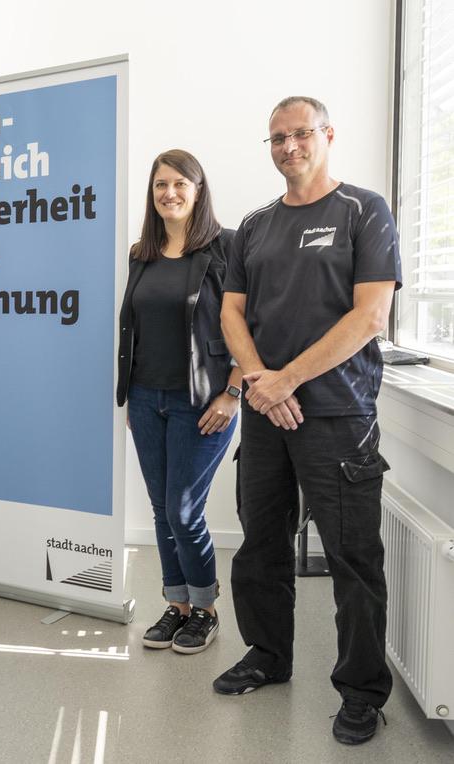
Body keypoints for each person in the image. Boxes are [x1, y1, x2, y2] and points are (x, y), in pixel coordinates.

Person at [216, 97, 400, 746]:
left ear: (326, 135)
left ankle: (360, 693)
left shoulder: (362, 211)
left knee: (352, 559)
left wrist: (287, 379)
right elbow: (231, 315)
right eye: (275, 138)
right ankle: (267, 655)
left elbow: (369, 316)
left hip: (337, 415)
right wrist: (262, 387)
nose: (286, 147)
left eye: (299, 135)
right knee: (260, 544)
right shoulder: (254, 225)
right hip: (267, 416)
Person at [116, 149, 242, 655]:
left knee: (183, 510)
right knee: (160, 509)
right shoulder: (140, 254)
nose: (169, 193)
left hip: (204, 400)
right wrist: (131, 396)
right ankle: (178, 605)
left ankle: (206, 610)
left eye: (179, 184)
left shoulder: (226, 248)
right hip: (147, 396)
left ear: (198, 189)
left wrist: (234, 391)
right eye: (160, 185)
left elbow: (249, 327)